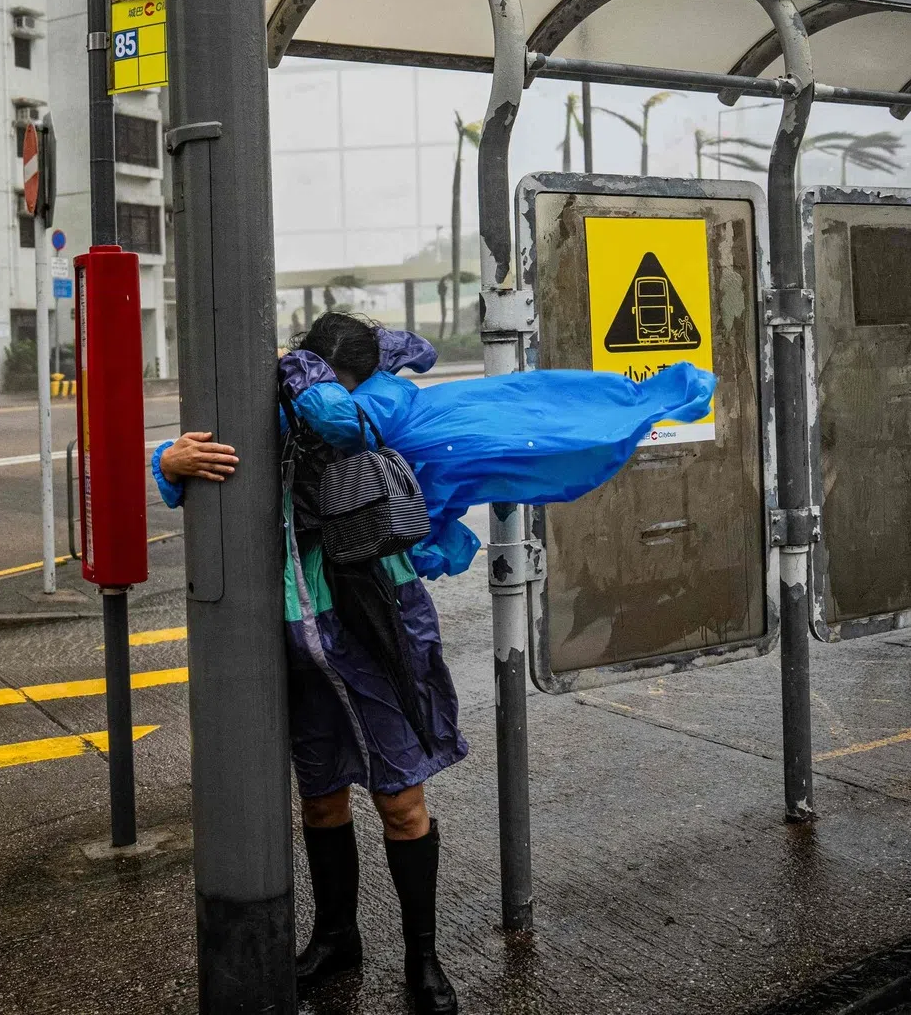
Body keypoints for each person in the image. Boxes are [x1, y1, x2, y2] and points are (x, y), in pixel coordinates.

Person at [152, 313, 715, 1014]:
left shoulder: (383, 401)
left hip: (377, 625)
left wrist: (304, 377)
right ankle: (337, 939)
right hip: (296, 636)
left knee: (400, 799)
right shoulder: (271, 402)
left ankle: (424, 957)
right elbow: (204, 467)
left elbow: (342, 422)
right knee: (320, 797)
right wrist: (167, 465)